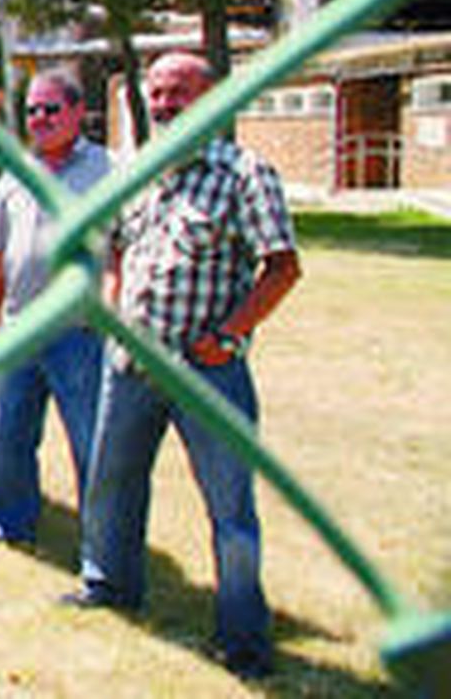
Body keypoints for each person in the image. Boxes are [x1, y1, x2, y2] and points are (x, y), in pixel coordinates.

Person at [64, 52, 302, 682]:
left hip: (206, 371)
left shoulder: (244, 174)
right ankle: (109, 584)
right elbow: (115, 246)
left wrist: (229, 335)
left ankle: (243, 635)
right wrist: (113, 309)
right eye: (158, 95)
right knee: (111, 483)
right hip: (130, 364)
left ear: (212, 99)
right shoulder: (137, 170)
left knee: (230, 507)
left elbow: (282, 267)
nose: (166, 106)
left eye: (179, 95)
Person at [0, 69, 109, 545]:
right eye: (32, 109)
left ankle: (100, 538)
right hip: (17, 329)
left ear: (77, 112)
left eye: (51, 108)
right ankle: (10, 522)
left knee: (89, 440)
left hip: (78, 330)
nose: (40, 118)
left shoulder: (108, 169)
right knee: (11, 433)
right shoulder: (17, 170)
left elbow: (122, 245)